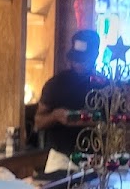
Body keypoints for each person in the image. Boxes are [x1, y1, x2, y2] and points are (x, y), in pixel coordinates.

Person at [36, 31, 102, 173]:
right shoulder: (56, 84)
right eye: (75, 58)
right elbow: (38, 122)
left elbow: (114, 121)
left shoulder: (104, 85)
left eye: (83, 59)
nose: (77, 63)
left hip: (94, 158)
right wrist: (55, 116)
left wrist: (91, 119)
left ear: (95, 55)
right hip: (61, 159)